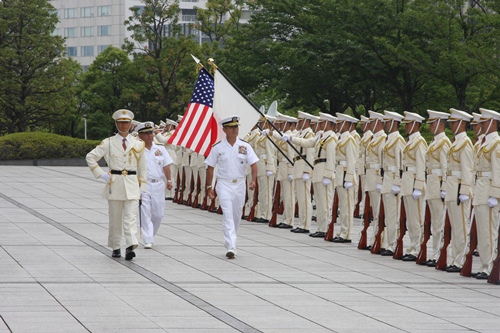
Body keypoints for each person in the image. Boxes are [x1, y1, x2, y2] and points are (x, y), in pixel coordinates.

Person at [86, 109, 147, 260]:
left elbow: (143, 167)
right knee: (115, 218)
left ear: (131, 124)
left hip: (132, 184)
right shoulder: (109, 143)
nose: (124, 125)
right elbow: (90, 157)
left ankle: (131, 245)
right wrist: (100, 174)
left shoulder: (138, 144)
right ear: (116, 123)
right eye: (121, 122)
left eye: (126, 123)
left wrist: (143, 188)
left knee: (131, 217)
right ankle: (115, 246)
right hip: (115, 185)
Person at [205, 116, 259, 259]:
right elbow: (210, 167)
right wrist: (209, 186)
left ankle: (231, 239)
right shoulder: (217, 147)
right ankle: (231, 246)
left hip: (240, 184)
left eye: (236, 127)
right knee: (228, 215)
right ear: (224, 130)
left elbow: (254, 164)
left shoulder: (245, 146)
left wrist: (253, 180)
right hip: (223, 184)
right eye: (231, 127)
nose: (235, 129)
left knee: (236, 216)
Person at [443, 108, 473, 273]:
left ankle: (460, 259)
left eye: (454, 122)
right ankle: (454, 258)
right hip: (452, 187)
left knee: (461, 226)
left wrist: (465, 190)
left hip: (459, 190)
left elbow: (467, 169)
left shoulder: (465, 143)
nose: (452, 125)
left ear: (461, 124)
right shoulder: (456, 142)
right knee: (455, 226)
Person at [472, 108, 500, 280]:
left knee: (489, 230)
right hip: (480, 189)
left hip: (488, 190)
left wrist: (494, 194)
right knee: (482, 230)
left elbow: (498, 170)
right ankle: (484, 264)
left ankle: (490, 266)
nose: (480, 125)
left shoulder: (496, 143)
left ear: (492, 123)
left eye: (483, 122)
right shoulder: (484, 142)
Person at [136, 121, 173, 249]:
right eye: (146, 133)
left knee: (158, 214)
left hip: (158, 184)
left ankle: (151, 234)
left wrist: (169, 180)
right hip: (143, 184)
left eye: (151, 133)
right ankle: (147, 239)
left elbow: (166, 165)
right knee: (145, 212)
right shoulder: (136, 150)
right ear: (140, 136)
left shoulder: (160, 148)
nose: (150, 136)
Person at [424, 110, 451, 267]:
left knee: (439, 223)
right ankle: (435, 253)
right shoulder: (434, 142)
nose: (430, 126)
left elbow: (446, 167)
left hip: (438, 185)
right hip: (432, 185)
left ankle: (440, 253)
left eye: (432, 123)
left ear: (441, 124)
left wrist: (445, 187)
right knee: (435, 222)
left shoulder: (444, 142)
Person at [400, 111, 428, 261]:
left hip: (414, 185)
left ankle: (417, 248)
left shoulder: (419, 142)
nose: (406, 127)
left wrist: (418, 186)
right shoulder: (410, 141)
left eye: (409, 124)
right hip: (407, 182)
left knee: (417, 218)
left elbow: (421, 165)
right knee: (410, 219)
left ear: (416, 125)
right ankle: (412, 246)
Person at [379, 110, 406, 256]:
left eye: (387, 122)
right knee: (388, 214)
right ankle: (387, 242)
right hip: (387, 179)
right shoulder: (389, 140)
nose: (384, 124)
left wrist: (397, 182)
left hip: (393, 181)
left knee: (393, 214)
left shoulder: (398, 140)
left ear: (394, 123)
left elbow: (400, 164)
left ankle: (393, 243)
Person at [332, 113, 358, 243]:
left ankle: (346, 233)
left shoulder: (349, 140)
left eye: (339, 123)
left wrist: (348, 178)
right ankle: (342, 231)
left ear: (346, 124)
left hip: (345, 175)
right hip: (339, 174)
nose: (337, 125)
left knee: (347, 206)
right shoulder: (341, 139)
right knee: (342, 206)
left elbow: (351, 160)